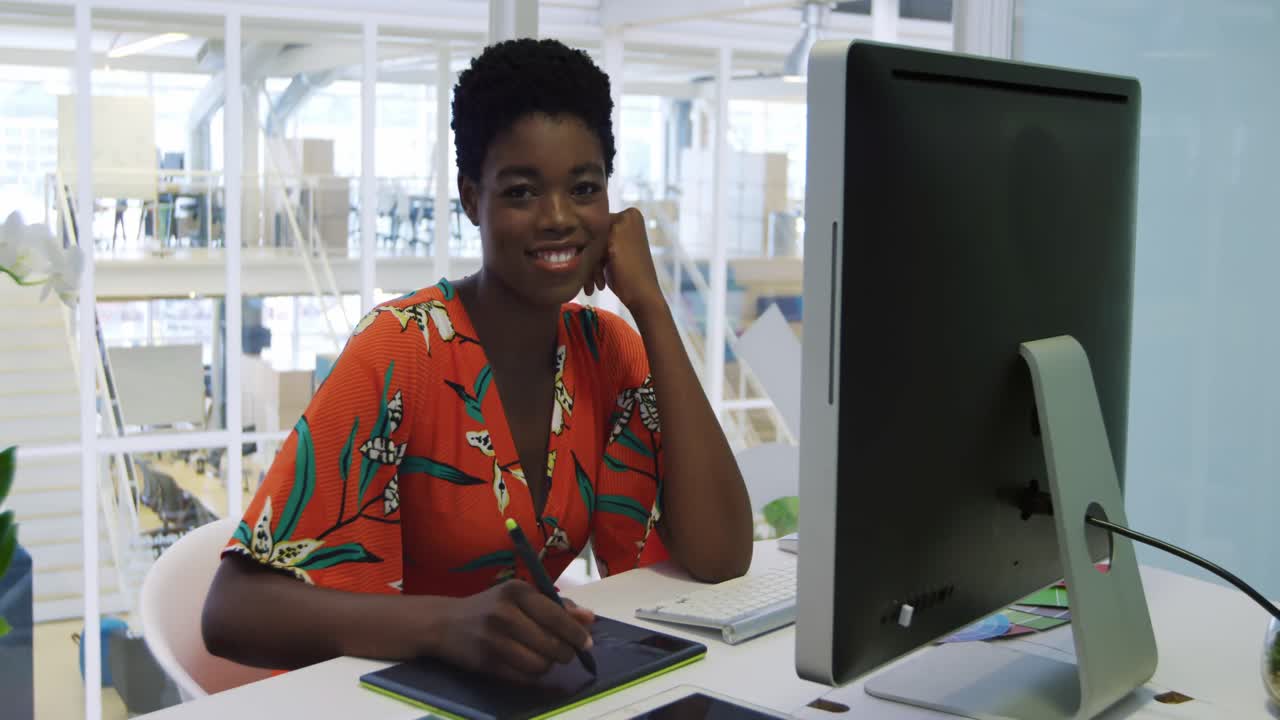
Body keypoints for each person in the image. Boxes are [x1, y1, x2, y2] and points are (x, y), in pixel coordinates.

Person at [201, 37, 753, 684]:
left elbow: (721, 555)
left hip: (513, 693)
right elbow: (230, 611)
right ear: (471, 199)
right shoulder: (401, 349)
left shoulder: (607, 350)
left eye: (584, 188)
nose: (558, 219)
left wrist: (652, 307)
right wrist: (446, 626)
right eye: (521, 192)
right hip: (385, 694)